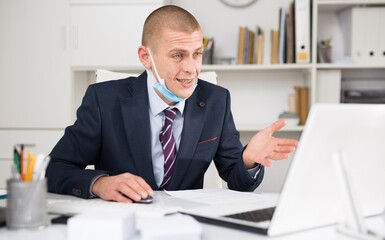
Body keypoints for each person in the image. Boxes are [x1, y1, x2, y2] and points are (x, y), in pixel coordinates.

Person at [46, 5, 298, 203]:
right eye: (178, 55)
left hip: (187, 226)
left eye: (197, 54)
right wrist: (99, 183)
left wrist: (247, 161)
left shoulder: (216, 101)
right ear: (146, 57)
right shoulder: (103, 100)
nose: (191, 68)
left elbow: (237, 180)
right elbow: (54, 168)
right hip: (123, 222)